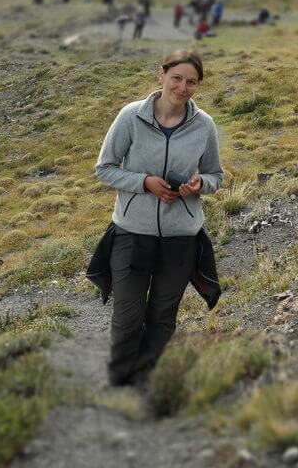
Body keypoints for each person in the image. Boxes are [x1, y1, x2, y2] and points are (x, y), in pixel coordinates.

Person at [89, 49, 224, 387]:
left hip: (182, 237)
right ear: (161, 74)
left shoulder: (204, 125)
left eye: (191, 82)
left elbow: (216, 176)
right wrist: (144, 183)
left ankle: (145, 379)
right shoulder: (130, 117)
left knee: (163, 315)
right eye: (177, 78)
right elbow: (104, 169)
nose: (183, 87)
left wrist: (199, 184)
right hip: (132, 233)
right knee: (128, 316)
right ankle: (120, 379)